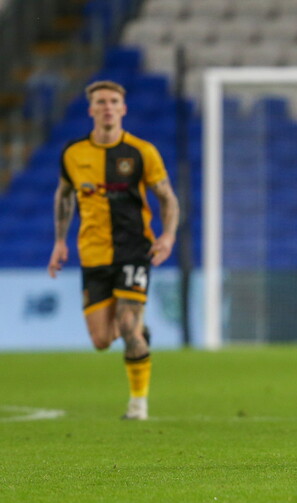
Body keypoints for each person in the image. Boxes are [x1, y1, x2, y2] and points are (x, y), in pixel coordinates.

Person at [48, 80, 180, 421]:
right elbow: (64, 195)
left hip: (134, 249)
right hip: (93, 254)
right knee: (102, 340)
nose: (107, 107)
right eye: (101, 102)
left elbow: (167, 197)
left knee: (126, 325)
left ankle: (138, 404)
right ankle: (140, 329)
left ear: (123, 108)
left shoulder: (141, 152)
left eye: (114, 101)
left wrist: (168, 236)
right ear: (91, 109)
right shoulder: (73, 153)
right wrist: (60, 241)